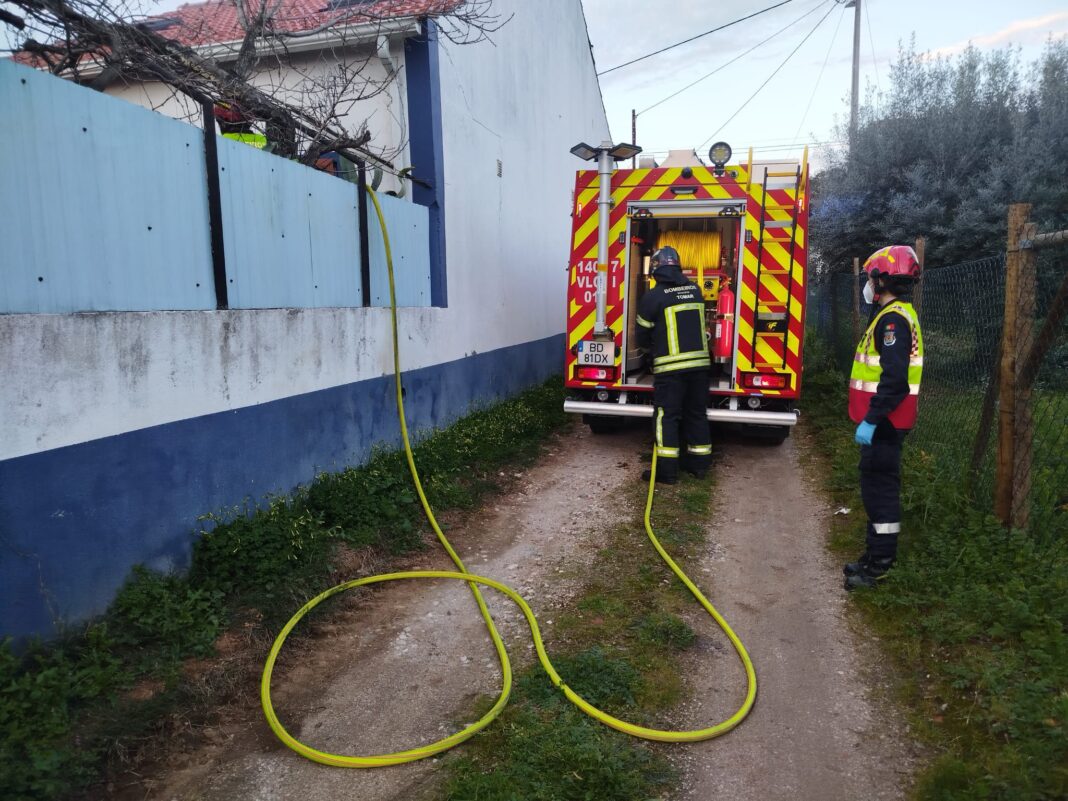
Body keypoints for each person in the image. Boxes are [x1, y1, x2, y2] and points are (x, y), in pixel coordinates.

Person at [844, 245, 924, 590]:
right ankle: (872, 555)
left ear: (882, 281)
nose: (868, 284)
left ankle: (879, 566)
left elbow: (894, 380)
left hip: (885, 425)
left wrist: (873, 420)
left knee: (880, 494)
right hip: (885, 424)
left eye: (870, 278)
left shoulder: (892, 320)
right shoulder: (895, 315)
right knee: (873, 491)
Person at [635, 245, 712, 484]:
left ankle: (667, 472)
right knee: (696, 414)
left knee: (666, 417)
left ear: (656, 268)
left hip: (671, 370)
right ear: (678, 266)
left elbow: (642, 336)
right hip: (700, 367)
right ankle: (699, 466)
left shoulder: (653, 297)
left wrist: (650, 353)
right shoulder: (696, 290)